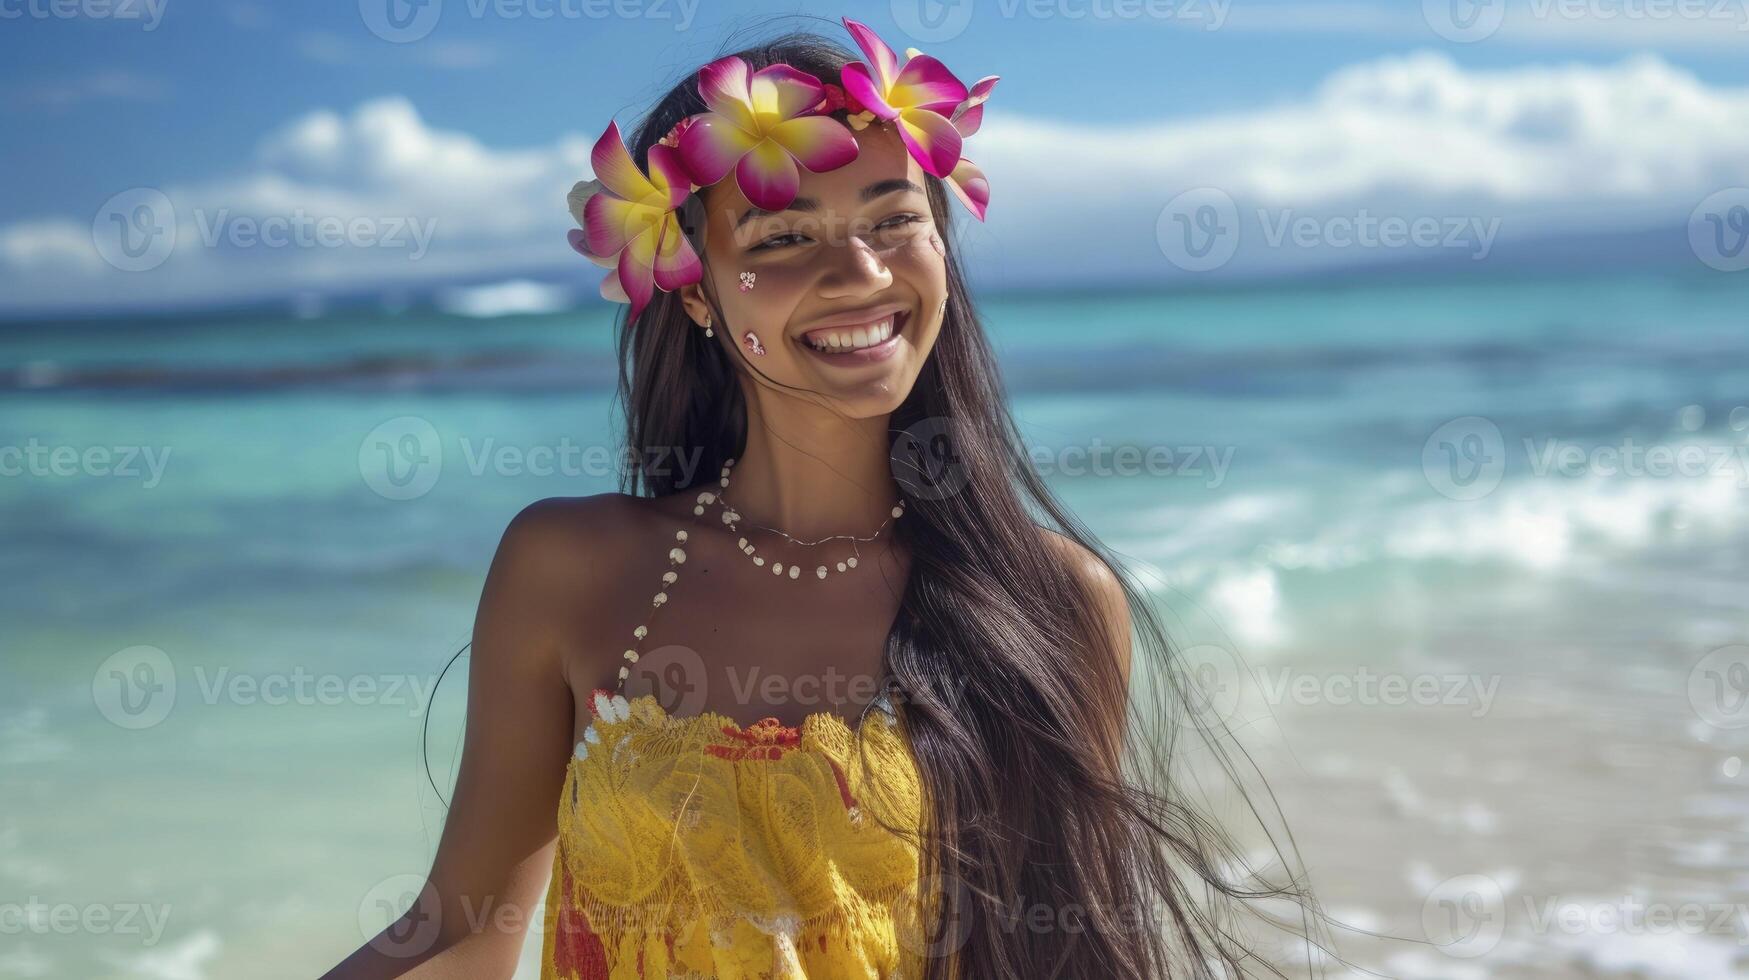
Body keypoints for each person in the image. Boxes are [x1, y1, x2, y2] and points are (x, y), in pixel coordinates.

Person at [326, 17, 1329, 980]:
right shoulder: (570, 565)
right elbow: (457, 934)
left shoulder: (1051, 600)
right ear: (695, 290)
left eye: (896, 221)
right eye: (781, 239)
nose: (859, 272)